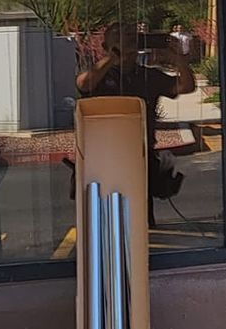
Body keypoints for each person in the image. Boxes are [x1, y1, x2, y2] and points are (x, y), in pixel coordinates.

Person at [76, 22, 197, 207]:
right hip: (105, 157)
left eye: (132, 38)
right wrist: (114, 57)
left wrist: (178, 58)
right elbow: (84, 84)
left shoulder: (148, 76)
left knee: (140, 214)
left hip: (140, 155)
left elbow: (186, 86)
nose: (127, 41)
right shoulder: (102, 76)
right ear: (106, 46)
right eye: (119, 38)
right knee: (107, 209)